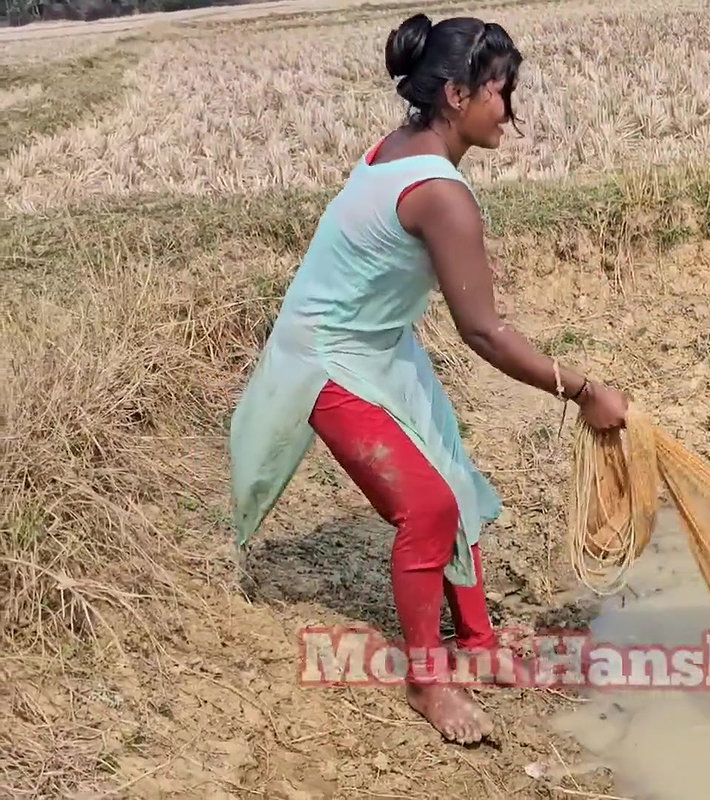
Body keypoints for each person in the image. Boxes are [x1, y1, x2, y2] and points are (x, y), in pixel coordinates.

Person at [227, 12, 628, 745]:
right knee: (430, 508)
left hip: (378, 346)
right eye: (501, 92)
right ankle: (427, 681)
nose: (510, 110)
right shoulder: (440, 193)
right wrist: (584, 388)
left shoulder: (403, 146)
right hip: (330, 357)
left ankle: (476, 647)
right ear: (455, 94)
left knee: (455, 481)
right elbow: (483, 332)